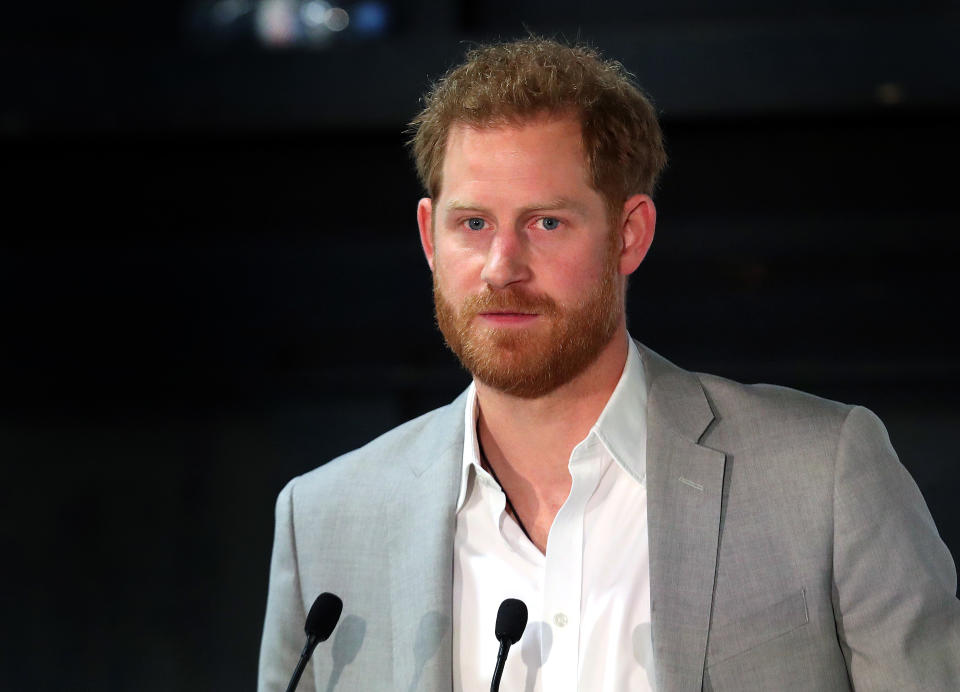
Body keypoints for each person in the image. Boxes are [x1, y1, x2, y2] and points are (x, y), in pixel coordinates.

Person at [257, 38, 960, 691]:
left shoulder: (822, 475)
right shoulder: (324, 520)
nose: (502, 268)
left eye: (545, 223)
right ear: (429, 238)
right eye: (473, 224)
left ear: (629, 235)